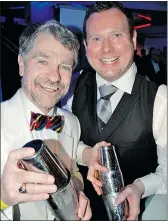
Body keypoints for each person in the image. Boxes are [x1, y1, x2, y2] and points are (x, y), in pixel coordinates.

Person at [63, 2, 167, 220]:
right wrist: (85, 153)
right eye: (96, 38)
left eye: (116, 35)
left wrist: (139, 187)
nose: (107, 48)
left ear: (133, 38)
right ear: (85, 44)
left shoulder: (159, 98)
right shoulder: (70, 87)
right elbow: (59, 136)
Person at [1, 20, 92, 220]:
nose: (54, 77)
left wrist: (76, 190)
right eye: (43, 61)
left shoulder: (71, 123)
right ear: (21, 65)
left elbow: (74, 171)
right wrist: (2, 197)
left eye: (65, 66)